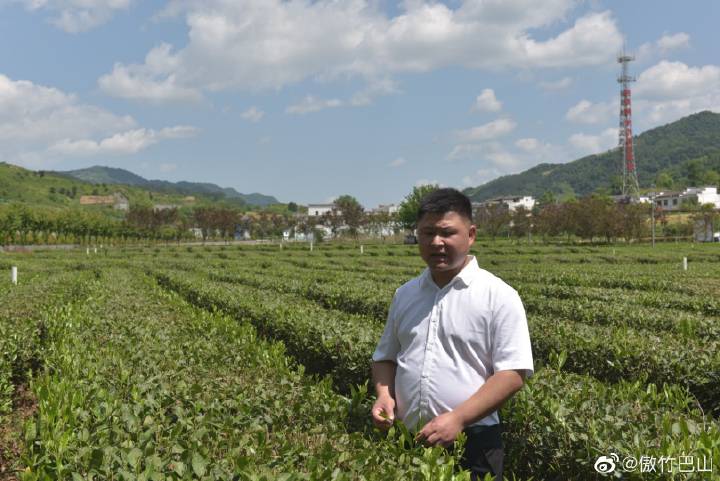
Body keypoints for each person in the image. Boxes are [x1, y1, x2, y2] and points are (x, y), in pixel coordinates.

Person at [371, 188, 533, 481]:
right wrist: (384, 395)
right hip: (410, 439)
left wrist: (457, 418)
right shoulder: (405, 294)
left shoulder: (499, 295)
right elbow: (385, 358)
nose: (436, 242)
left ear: (471, 235)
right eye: (427, 232)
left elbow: (512, 374)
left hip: (474, 443)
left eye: (447, 232)